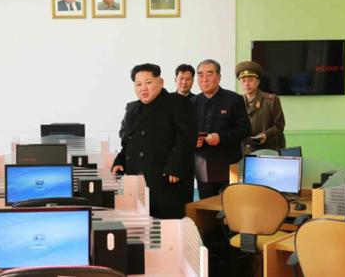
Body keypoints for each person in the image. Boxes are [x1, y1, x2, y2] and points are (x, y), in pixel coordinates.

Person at [112, 63, 197, 219]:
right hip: (137, 178)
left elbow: (187, 138)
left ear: (161, 82)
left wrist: (176, 166)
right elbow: (129, 142)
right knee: (141, 225)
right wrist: (120, 160)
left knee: (167, 228)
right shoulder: (133, 109)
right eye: (138, 84)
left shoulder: (178, 102)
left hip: (167, 177)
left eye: (148, 82)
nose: (143, 88)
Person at [191, 59, 251, 199]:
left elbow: (245, 129)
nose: (204, 79)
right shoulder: (192, 103)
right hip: (202, 165)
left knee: (230, 206)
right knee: (206, 207)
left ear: (219, 77)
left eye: (209, 74)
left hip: (229, 165)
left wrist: (221, 137)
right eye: (200, 75)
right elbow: (186, 133)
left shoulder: (234, 99)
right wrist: (192, 141)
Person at [236, 61, 286, 155]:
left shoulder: (271, 100)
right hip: (245, 151)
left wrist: (266, 135)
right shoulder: (237, 101)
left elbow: (279, 125)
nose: (247, 84)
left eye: (250, 80)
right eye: (243, 81)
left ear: (258, 81)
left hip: (267, 150)